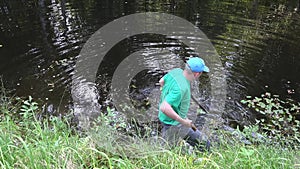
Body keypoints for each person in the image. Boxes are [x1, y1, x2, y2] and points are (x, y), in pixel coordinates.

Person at [158, 57, 210, 151]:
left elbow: (161, 81)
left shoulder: (176, 71)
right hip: (174, 123)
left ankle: (165, 149)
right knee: (205, 144)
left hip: (165, 118)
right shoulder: (181, 88)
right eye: (201, 73)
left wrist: (166, 93)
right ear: (196, 74)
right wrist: (183, 121)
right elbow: (164, 107)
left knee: (168, 143)